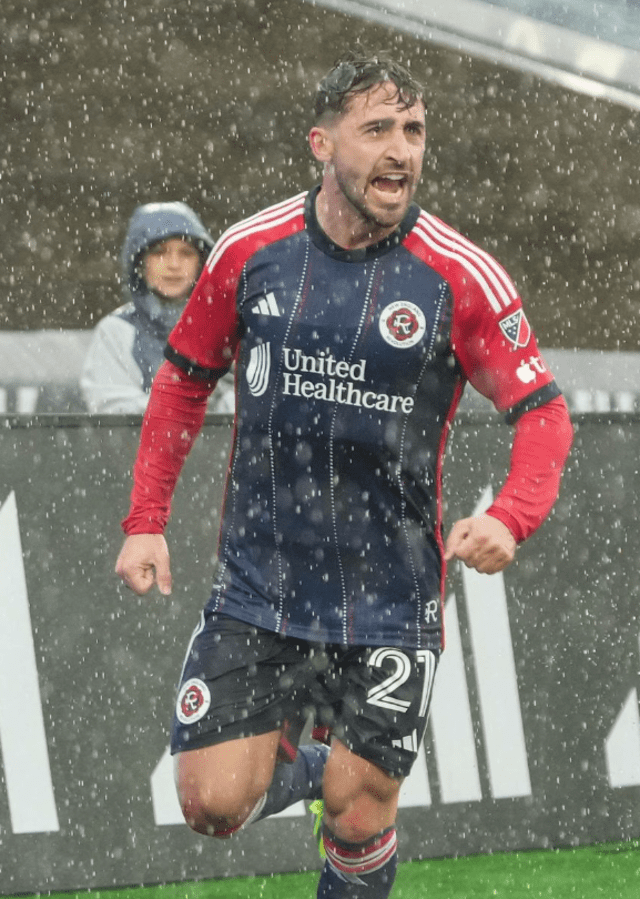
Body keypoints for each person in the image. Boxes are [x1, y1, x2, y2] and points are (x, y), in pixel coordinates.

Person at [115, 50, 573, 898]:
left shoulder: (459, 275)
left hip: (391, 595)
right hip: (262, 585)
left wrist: (512, 513)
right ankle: (317, 758)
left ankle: (345, 785)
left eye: (414, 130)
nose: (401, 150)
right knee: (210, 805)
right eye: (377, 130)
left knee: (359, 817)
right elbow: (182, 376)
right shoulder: (251, 250)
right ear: (322, 144)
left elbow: (543, 410)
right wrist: (145, 517)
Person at [81, 201, 234, 414]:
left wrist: (228, 402)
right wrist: (185, 406)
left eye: (186, 253)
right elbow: (112, 411)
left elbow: (259, 406)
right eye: (160, 252)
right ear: (140, 263)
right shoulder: (116, 331)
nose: (173, 264)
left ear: (202, 263)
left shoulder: (229, 328)